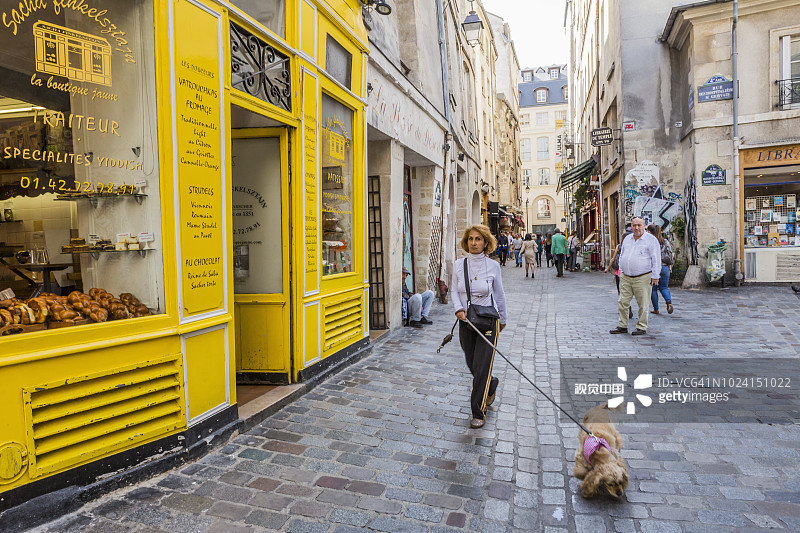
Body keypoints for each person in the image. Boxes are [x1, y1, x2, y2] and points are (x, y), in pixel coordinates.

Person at [452, 224, 507, 429]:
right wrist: (458, 309)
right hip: (466, 321)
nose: (474, 243)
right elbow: (454, 292)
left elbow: (499, 294)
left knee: (482, 367)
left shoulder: (493, 266)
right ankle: (491, 384)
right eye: (471, 239)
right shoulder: (459, 264)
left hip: (488, 322)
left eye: (478, 239)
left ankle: (478, 411)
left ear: (485, 243)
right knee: (472, 364)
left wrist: (503, 319)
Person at [610, 217, 661, 336]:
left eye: (639, 225)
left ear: (644, 226)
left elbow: (656, 258)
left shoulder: (651, 240)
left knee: (643, 303)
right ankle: (622, 325)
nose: (636, 228)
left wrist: (655, 276)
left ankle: (641, 326)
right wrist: (622, 271)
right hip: (626, 277)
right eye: (634, 225)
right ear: (631, 227)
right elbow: (622, 254)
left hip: (643, 277)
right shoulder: (627, 238)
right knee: (622, 302)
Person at [605, 230, 633, 319]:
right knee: (629, 292)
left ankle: (626, 309)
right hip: (630, 272)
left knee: (621, 292)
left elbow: (613, 259)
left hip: (619, 273)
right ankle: (628, 307)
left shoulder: (619, 246)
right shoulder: (633, 246)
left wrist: (608, 268)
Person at [647, 224, 674, 315]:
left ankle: (656, 309)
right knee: (664, 287)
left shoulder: (650, 241)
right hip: (665, 267)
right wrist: (670, 266)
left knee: (653, 289)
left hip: (654, 268)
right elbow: (670, 254)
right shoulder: (665, 241)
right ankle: (668, 301)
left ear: (650, 232)